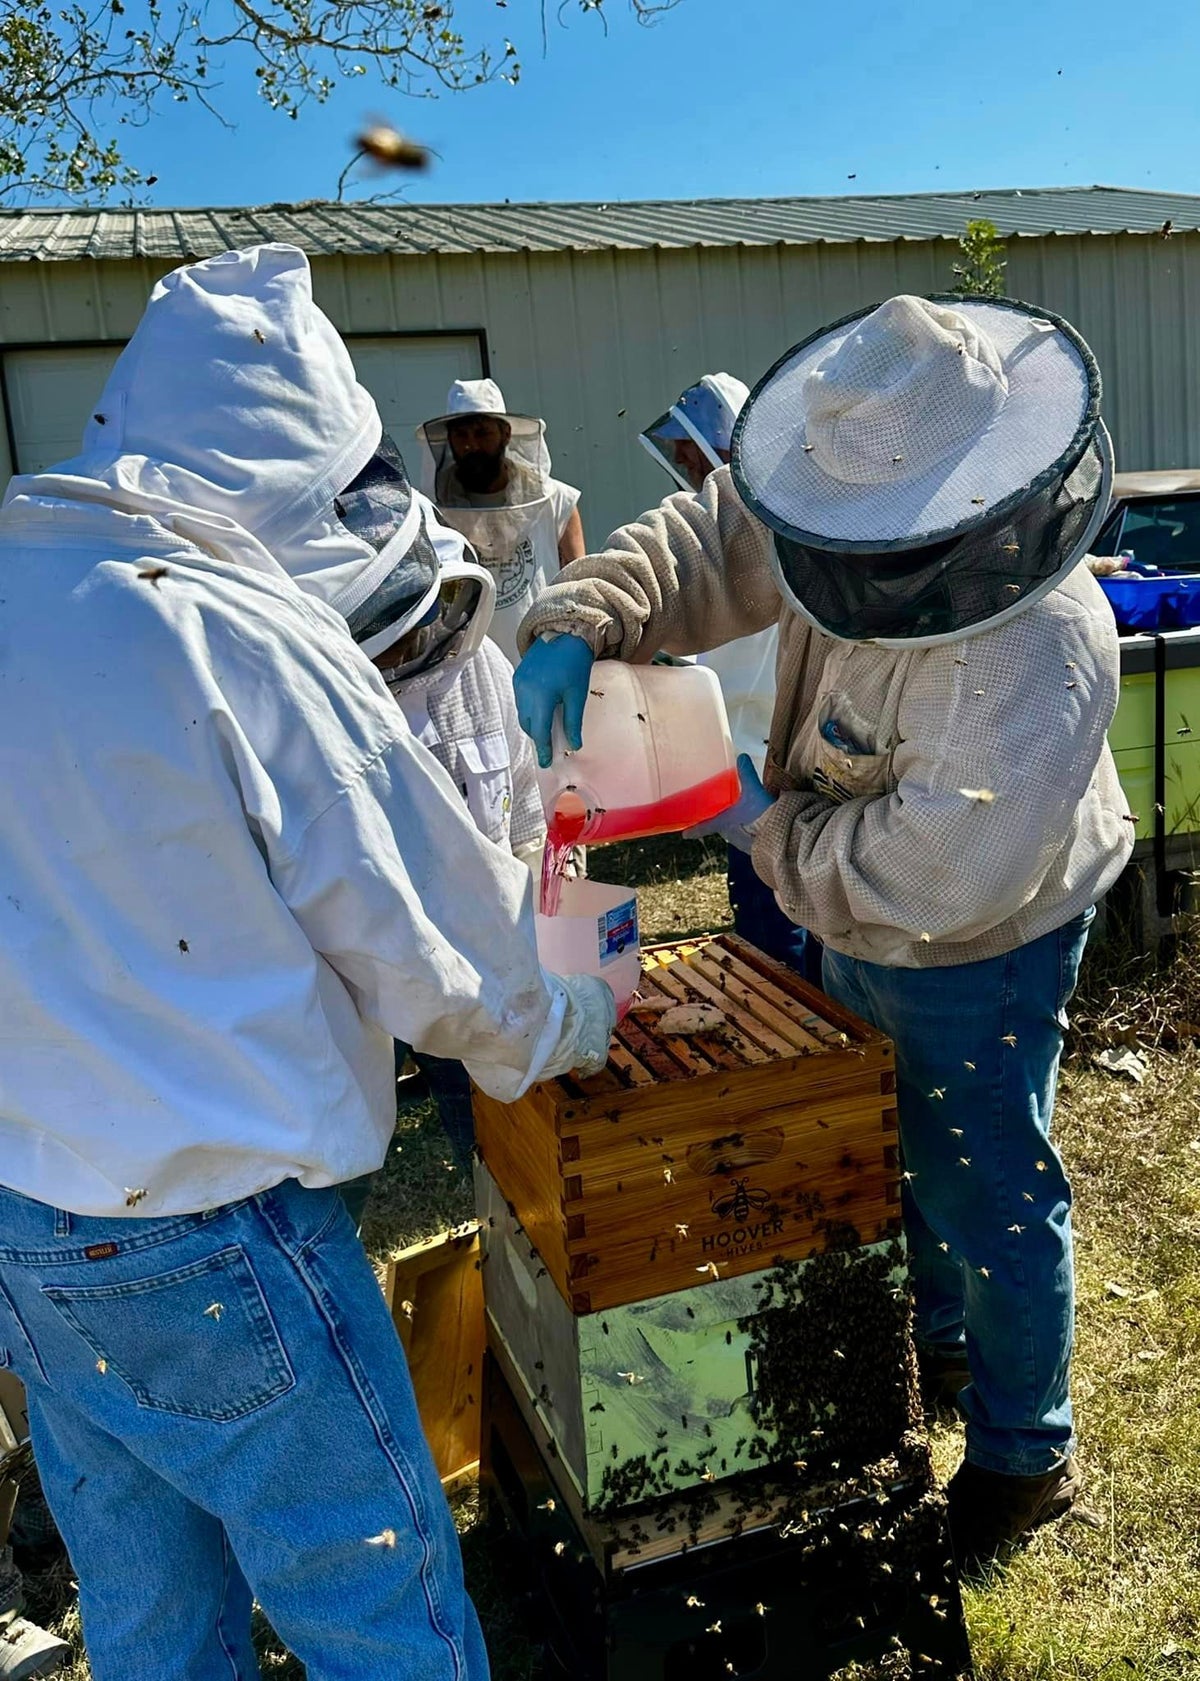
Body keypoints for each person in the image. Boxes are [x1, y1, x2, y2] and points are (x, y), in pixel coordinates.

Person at [0, 241, 614, 1681]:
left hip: (30, 1226)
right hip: (222, 1244)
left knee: (152, 1620)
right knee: (380, 1621)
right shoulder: (231, 625)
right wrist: (572, 1018)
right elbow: (439, 961)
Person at [513, 293, 1133, 1574]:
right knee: (895, 1143)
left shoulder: (1039, 652)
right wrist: (585, 617)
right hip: (863, 872)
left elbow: (931, 875)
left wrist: (755, 826)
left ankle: (1026, 1454)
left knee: (989, 1180)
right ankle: (946, 1344)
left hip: (985, 933)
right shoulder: (834, 498)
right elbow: (708, 536)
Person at [337, 535, 545, 1214]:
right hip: (358, 968)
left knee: (494, 1142)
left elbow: (527, 818)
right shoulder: (331, 690)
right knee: (341, 1157)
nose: (407, 649)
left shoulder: (485, 666)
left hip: (479, 967)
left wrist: (541, 946)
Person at [640, 375, 822, 984]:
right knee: (763, 934)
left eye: (691, 448)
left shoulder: (783, 530)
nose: (684, 461)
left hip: (789, 763)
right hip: (736, 767)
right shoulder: (718, 540)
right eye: (679, 452)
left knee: (801, 934)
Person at [417, 379, 584, 664]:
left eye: (482, 432)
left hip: (544, 662)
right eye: (461, 435)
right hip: (468, 670)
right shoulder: (429, 511)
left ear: (505, 433)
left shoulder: (556, 501)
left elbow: (580, 585)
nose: (472, 445)